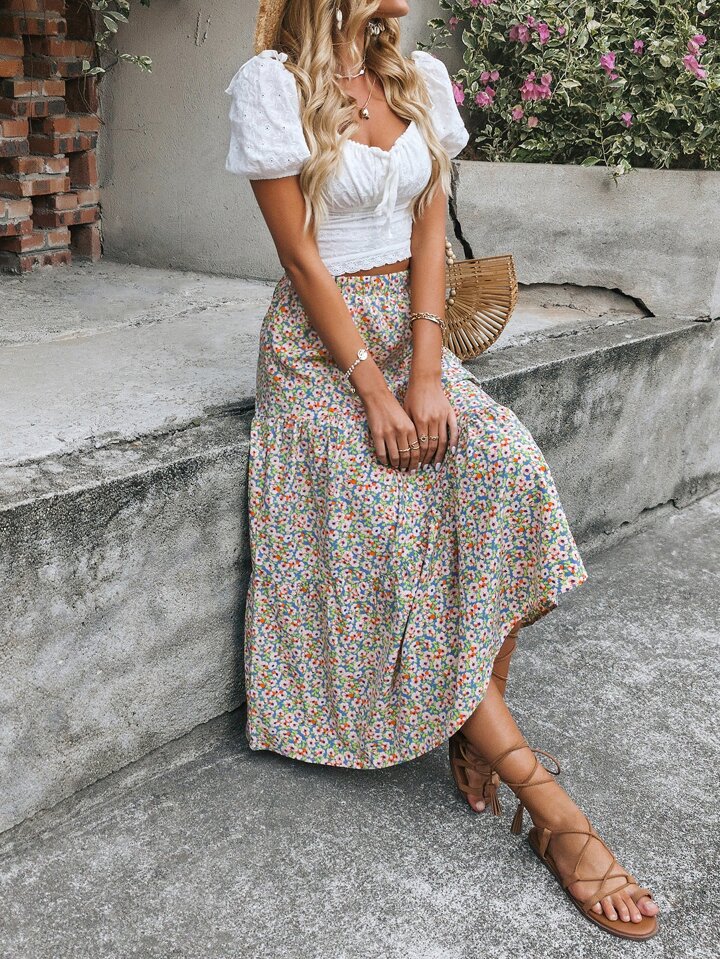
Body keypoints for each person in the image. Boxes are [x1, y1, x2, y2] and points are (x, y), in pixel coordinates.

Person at [223, 0, 659, 941]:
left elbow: (430, 233)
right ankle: (553, 810)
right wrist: (373, 392)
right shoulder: (272, 86)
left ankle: (467, 722)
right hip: (320, 350)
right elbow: (300, 256)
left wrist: (426, 376)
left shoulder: (419, 79)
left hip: (414, 334)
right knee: (391, 527)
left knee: (510, 472)